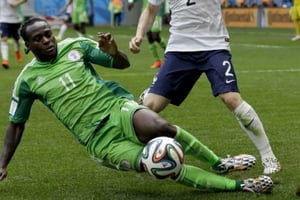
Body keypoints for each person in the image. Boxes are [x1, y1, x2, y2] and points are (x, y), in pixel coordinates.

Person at [0, 17, 273, 193]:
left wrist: (113, 52)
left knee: (161, 126)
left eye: (48, 34)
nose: (47, 40)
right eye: (39, 38)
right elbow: (16, 125)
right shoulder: (28, 80)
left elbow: (122, 63)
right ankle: (238, 186)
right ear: (27, 46)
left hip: (116, 108)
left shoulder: (77, 46)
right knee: (161, 165)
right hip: (98, 139)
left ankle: (219, 163)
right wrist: (3, 164)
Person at [129, 0, 281, 175]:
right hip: (180, 48)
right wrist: (139, 35)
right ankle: (137, 143)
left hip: (214, 46)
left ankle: (268, 156)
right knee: (150, 106)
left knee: (231, 98)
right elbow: (150, 9)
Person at [128, 0, 167, 69]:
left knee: (155, 36)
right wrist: (131, 2)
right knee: (150, 37)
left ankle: (168, 51)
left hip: (157, 14)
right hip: (146, 14)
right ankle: (157, 61)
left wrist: (167, 11)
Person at [0, 0, 27, 69]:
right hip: (3, 19)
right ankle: (5, 60)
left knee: (17, 40)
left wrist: (19, 2)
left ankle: (17, 51)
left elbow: (13, 4)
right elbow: (12, 3)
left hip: (15, 20)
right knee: (4, 39)